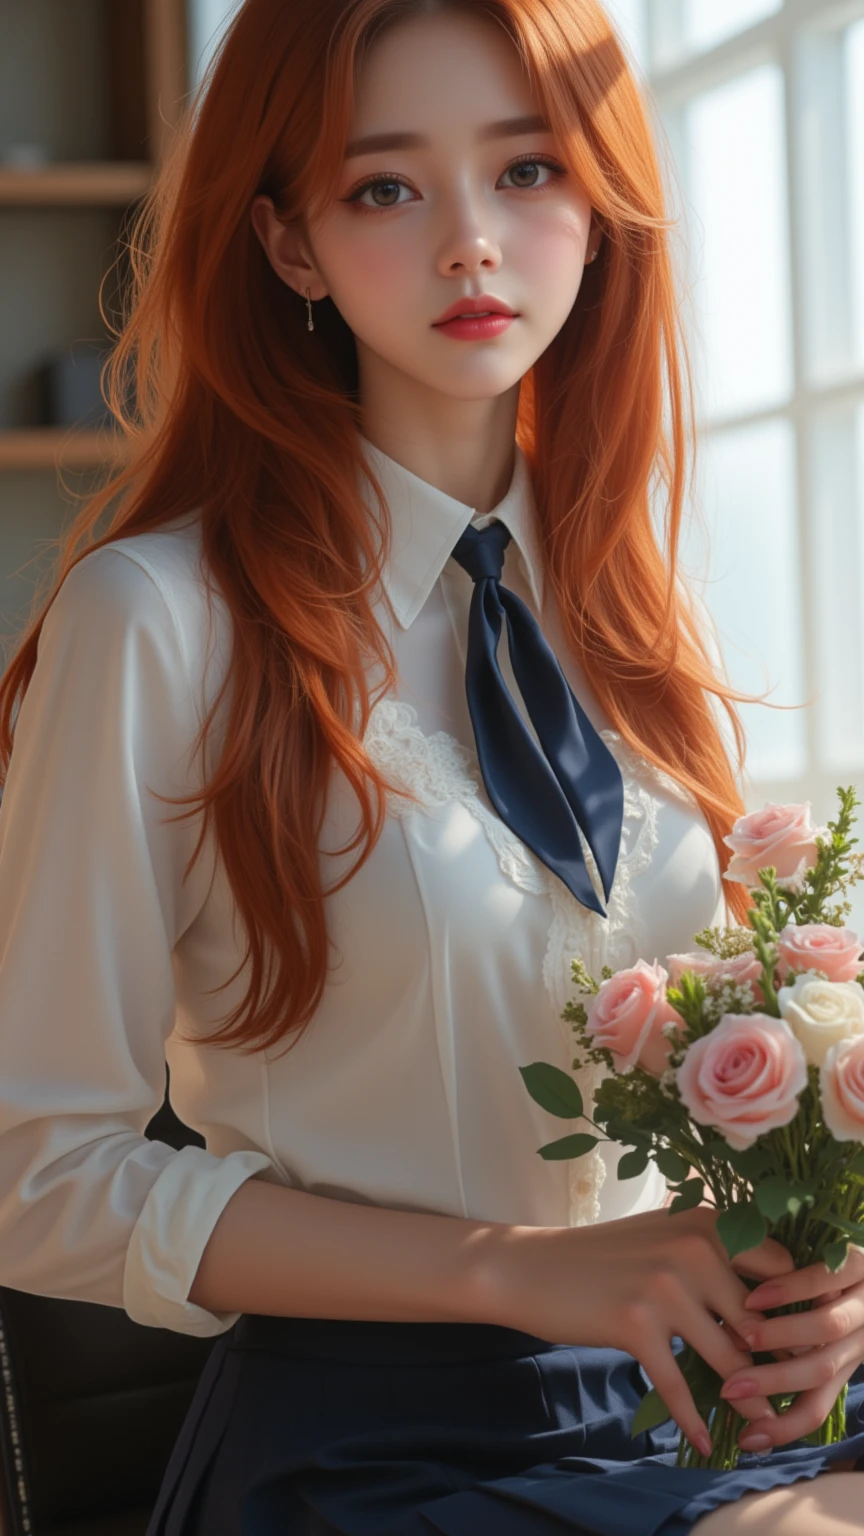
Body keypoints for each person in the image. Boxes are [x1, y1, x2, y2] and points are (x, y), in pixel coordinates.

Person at [0, 0, 862, 1531]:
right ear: (288, 245)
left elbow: (700, 1070)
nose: (473, 241)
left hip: (710, 1399)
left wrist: (822, 1268)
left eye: (527, 171)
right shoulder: (158, 620)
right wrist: (512, 1272)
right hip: (390, 1439)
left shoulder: (635, 599)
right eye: (387, 187)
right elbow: (41, 1177)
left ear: (597, 209)